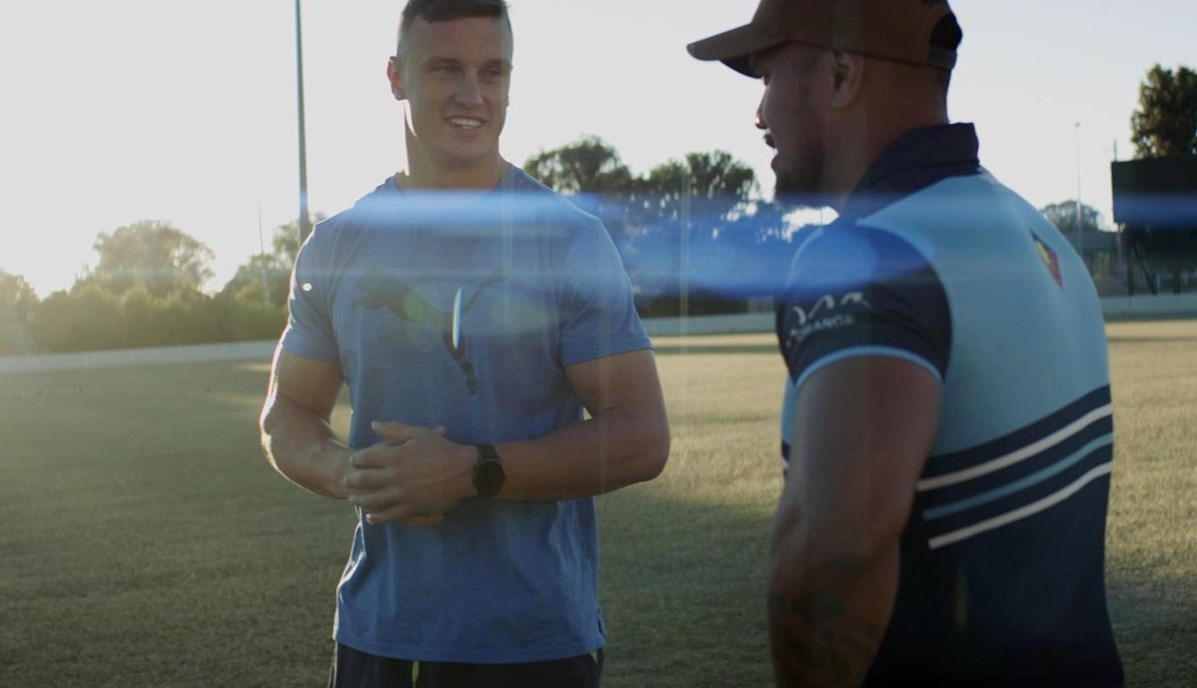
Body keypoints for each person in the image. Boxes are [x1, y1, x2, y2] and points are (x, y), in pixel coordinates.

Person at [689, 1, 1125, 686]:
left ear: (839, 74)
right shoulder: (1038, 232)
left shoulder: (871, 255)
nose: (759, 114)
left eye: (767, 77)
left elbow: (835, 551)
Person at [258, 1, 670, 686]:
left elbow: (640, 437)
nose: (473, 95)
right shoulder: (336, 247)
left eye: (493, 71)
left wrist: (475, 471)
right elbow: (286, 413)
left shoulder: (567, 240)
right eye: (446, 68)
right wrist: (347, 473)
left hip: (534, 642)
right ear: (396, 76)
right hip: (379, 634)